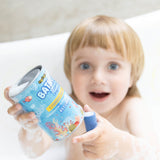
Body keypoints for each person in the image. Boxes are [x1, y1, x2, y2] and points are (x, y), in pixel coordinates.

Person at [4, 15, 160, 160]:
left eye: (113, 66)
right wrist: (32, 128)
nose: (98, 78)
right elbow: (33, 152)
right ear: (70, 73)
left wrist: (117, 143)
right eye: (85, 66)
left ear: (132, 76)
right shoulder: (65, 108)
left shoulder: (130, 108)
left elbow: (153, 153)